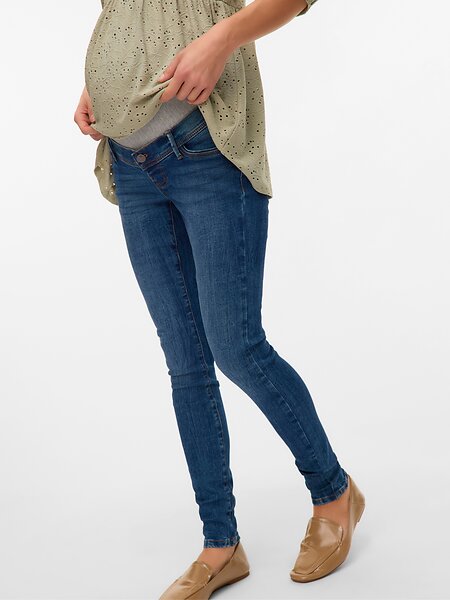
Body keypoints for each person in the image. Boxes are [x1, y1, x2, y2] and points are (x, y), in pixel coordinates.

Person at [74, 0, 366, 597]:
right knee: (185, 362)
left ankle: (334, 492)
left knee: (238, 346)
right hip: (130, 162)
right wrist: (99, 83)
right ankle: (220, 543)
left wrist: (222, 38)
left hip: (205, 148)